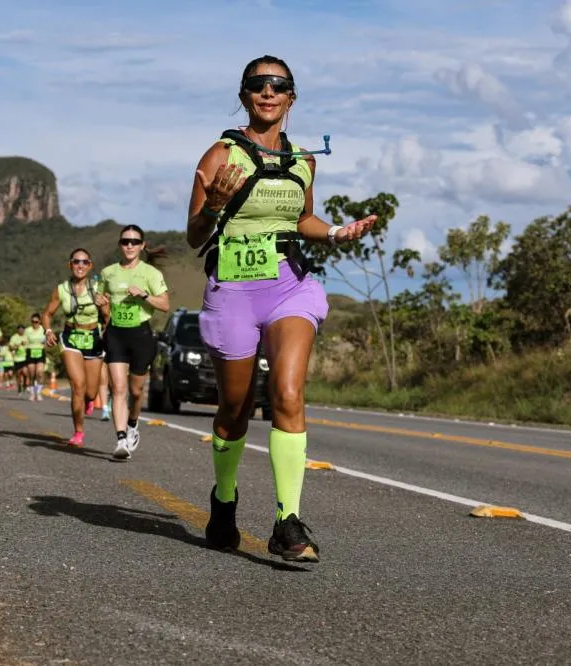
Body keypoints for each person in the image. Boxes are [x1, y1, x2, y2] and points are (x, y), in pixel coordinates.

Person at [186, 55, 377, 562]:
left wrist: (338, 232)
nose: (267, 92)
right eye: (257, 85)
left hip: (289, 284)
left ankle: (286, 522)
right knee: (235, 408)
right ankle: (224, 501)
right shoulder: (219, 155)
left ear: (292, 96)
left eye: (278, 85)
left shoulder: (303, 162)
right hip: (232, 289)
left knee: (288, 394)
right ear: (245, 94)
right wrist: (212, 206)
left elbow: (304, 219)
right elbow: (193, 236)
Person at [95, 225, 170, 459]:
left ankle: (133, 425)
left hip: (141, 335)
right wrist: (101, 303)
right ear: (120, 245)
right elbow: (104, 306)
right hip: (115, 334)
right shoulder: (108, 273)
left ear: (142, 245)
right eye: (125, 241)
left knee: (136, 392)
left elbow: (165, 305)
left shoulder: (151, 274)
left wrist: (145, 295)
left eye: (135, 242)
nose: (129, 245)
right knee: (118, 388)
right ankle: (120, 440)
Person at [40, 248, 105, 447]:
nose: (80, 265)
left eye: (85, 262)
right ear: (70, 265)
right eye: (76, 262)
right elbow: (47, 314)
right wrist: (48, 331)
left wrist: (104, 305)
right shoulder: (62, 289)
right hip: (71, 338)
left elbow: (109, 316)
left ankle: (89, 400)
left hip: (94, 338)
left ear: (90, 265)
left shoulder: (98, 287)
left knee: (90, 392)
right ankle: (78, 432)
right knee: (78, 386)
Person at [23, 313, 47, 401]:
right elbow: (24, 340)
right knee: (32, 374)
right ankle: (33, 393)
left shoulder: (43, 329)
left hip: (40, 352)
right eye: (33, 322)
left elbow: (47, 340)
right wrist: (24, 343)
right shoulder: (28, 330)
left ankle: (39, 393)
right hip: (30, 352)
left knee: (40, 373)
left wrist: (46, 344)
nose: (34, 323)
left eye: (36, 322)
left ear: (40, 321)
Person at [8, 324, 29, 393]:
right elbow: (10, 347)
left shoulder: (27, 337)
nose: (21, 331)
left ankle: (25, 384)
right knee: (18, 373)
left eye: (22, 329)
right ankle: (19, 386)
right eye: (19, 329)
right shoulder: (14, 337)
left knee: (25, 372)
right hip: (17, 358)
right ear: (17, 330)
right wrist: (18, 345)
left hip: (25, 358)